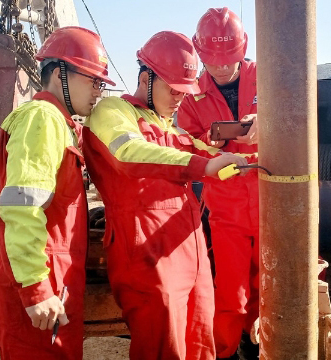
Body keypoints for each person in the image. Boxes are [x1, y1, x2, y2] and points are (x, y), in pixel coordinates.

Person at [81, 31, 254, 360]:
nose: (179, 98)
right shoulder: (113, 112)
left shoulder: (169, 127)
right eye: (172, 89)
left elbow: (206, 152)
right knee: (164, 347)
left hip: (189, 249)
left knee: (200, 343)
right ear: (146, 78)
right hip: (146, 253)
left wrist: (246, 159)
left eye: (183, 91)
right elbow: (129, 153)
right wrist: (204, 164)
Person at [0, 27, 114, 360]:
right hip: (38, 282)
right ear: (59, 74)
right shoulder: (42, 119)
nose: (98, 91)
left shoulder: (61, 123)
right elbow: (22, 207)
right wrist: (36, 290)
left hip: (54, 277)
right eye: (93, 81)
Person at [177, 8, 260, 360]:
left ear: (243, 50)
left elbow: (305, 115)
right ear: (200, 55)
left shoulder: (270, 75)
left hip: (274, 203)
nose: (223, 68)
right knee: (230, 294)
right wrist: (213, 144)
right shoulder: (190, 94)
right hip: (227, 212)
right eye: (214, 61)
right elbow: (184, 142)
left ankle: (264, 347)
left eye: (230, 60)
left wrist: (270, 119)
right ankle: (223, 353)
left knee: (275, 287)